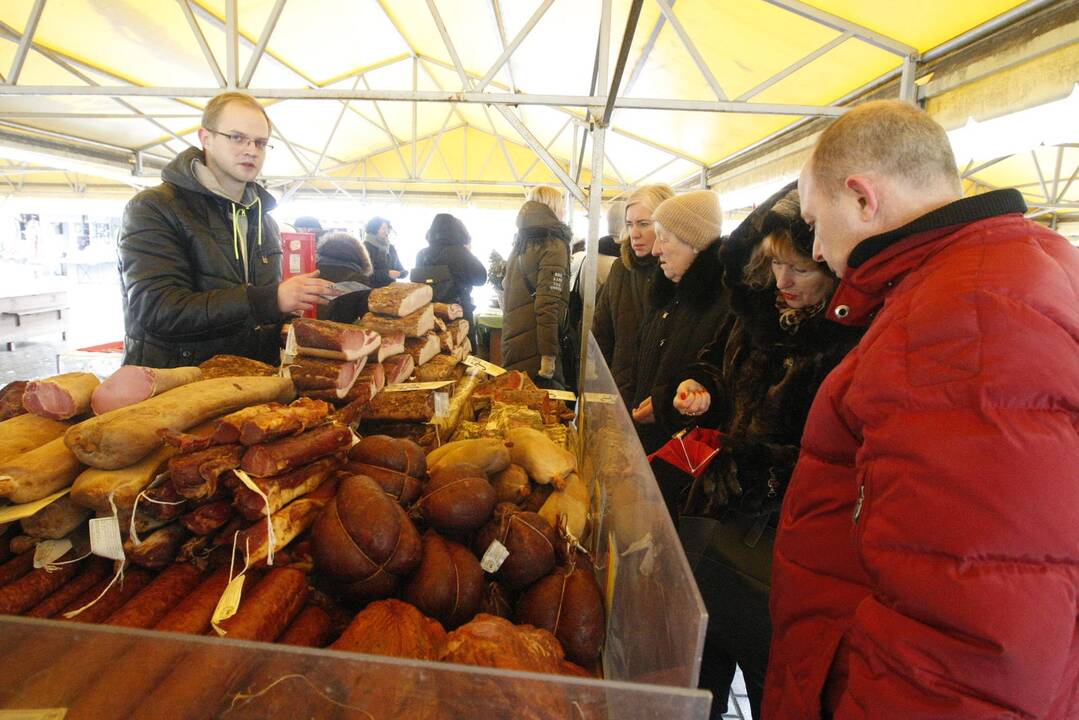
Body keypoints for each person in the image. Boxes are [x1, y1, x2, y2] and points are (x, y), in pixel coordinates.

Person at [764, 100, 1079, 719]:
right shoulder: (1004, 273)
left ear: (861, 198)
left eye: (814, 220)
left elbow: (973, 628)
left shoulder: (964, 317)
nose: (819, 248)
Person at [655, 183, 862, 719]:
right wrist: (699, 388)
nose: (782, 283)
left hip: (788, 538)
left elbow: (845, 454)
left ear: (833, 265)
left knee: (772, 673)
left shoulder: (853, 341)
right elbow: (714, 364)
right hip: (717, 515)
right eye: (773, 266)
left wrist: (761, 468)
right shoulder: (754, 314)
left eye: (799, 270)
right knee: (702, 663)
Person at [118, 91, 334, 368]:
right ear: (205, 138)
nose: (251, 150)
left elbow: (259, 310)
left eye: (260, 142)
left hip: (252, 382)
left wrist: (285, 325)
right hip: (179, 387)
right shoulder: (155, 208)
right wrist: (272, 298)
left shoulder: (263, 220)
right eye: (237, 137)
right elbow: (159, 310)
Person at [630, 189, 728, 456]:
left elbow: (715, 385)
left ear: (694, 242)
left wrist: (666, 405)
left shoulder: (723, 305)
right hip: (647, 444)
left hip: (681, 457)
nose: (655, 249)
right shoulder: (666, 295)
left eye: (664, 238)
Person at [593, 184, 673, 405]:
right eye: (629, 224)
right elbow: (601, 333)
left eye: (644, 224)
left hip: (659, 401)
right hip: (620, 394)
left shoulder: (676, 273)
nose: (634, 233)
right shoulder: (621, 269)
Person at [502, 185, 572, 387]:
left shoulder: (520, 244)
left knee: (516, 411)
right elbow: (548, 304)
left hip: (514, 344)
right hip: (538, 351)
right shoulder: (553, 243)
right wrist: (549, 357)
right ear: (555, 208)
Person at [413, 213, 487, 333]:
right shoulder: (458, 252)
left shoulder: (421, 254)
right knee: (461, 349)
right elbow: (481, 278)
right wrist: (469, 254)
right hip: (458, 314)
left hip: (430, 314)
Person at [315, 231, 372, 323]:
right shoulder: (358, 279)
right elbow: (367, 318)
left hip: (302, 330)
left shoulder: (311, 270)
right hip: (339, 334)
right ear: (360, 254)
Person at [363, 216, 407, 288]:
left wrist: (402, 273)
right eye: (383, 228)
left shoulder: (391, 247)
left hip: (390, 289)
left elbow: (398, 266)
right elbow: (365, 274)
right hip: (372, 290)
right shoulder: (365, 247)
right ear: (374, 229)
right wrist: (387, 274)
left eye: (387, 228)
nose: (386, 231)